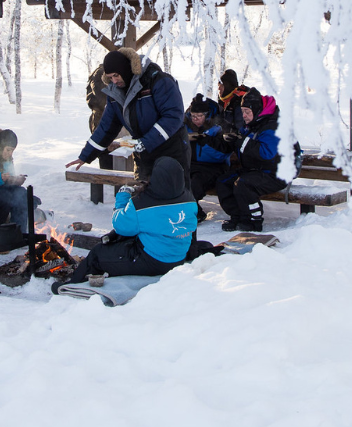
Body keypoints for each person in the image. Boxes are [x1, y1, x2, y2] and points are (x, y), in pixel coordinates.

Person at [58, 157, 197, 288]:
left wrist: (123, 196)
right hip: (179, 256)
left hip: (154, 261)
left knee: (98, 253)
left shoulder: (143, 204)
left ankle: (72, 284)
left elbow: (120, 226)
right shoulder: (190, 199)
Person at [68, 48, 187, 180]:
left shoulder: (158, 81)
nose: (114, 81)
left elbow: (173, 117)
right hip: (143, 154)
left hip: (171, 151)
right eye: (110, 77)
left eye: (116, 75)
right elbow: (106, 128)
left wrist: (145, 142)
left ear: (125, 70)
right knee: (143, 194)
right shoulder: (115, 93)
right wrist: (85, 156)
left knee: (175, 197)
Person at [214, 88, 284, 232]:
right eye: (243, 111)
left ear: (257, 110)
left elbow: (267, 153)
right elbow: (243, 142)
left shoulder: (273, 126)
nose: (244, 115)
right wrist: (232, 140)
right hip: (255, 170)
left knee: (244, 184)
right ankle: (238, 216)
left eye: (247, 111)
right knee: (223, 181)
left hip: (277, 173)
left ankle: (253, 221)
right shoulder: (253, 125)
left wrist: (241, 142)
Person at [185, 93, 230, 222]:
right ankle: (191, 212)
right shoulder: (185, 124)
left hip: (214, 166)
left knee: (195, 185)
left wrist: (206, 141)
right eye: (193, 116)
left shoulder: (218, 126)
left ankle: (193, 214)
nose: (196, 119)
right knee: (176, 181)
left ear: (207, 114)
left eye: (199, 116)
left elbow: (224, 152)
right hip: (191, 164)